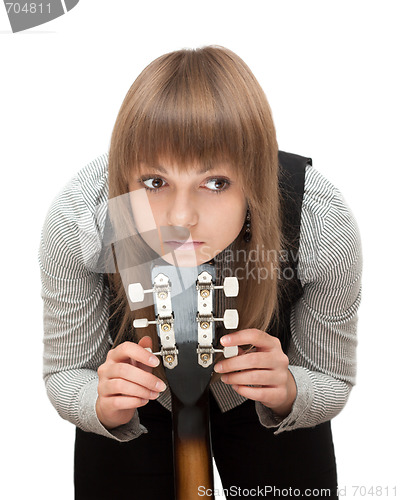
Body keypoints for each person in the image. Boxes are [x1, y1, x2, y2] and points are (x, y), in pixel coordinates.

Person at [39, 46, 362, 499]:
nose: (181, 216)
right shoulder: (83, 219)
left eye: (216, 183)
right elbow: (66, 372)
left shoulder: (319, 222)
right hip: (138, 395)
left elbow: (332, 378)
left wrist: (291, 390)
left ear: (254, 176)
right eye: (155, 182)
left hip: (266, 393)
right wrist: (99, 402)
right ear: (124, 180)